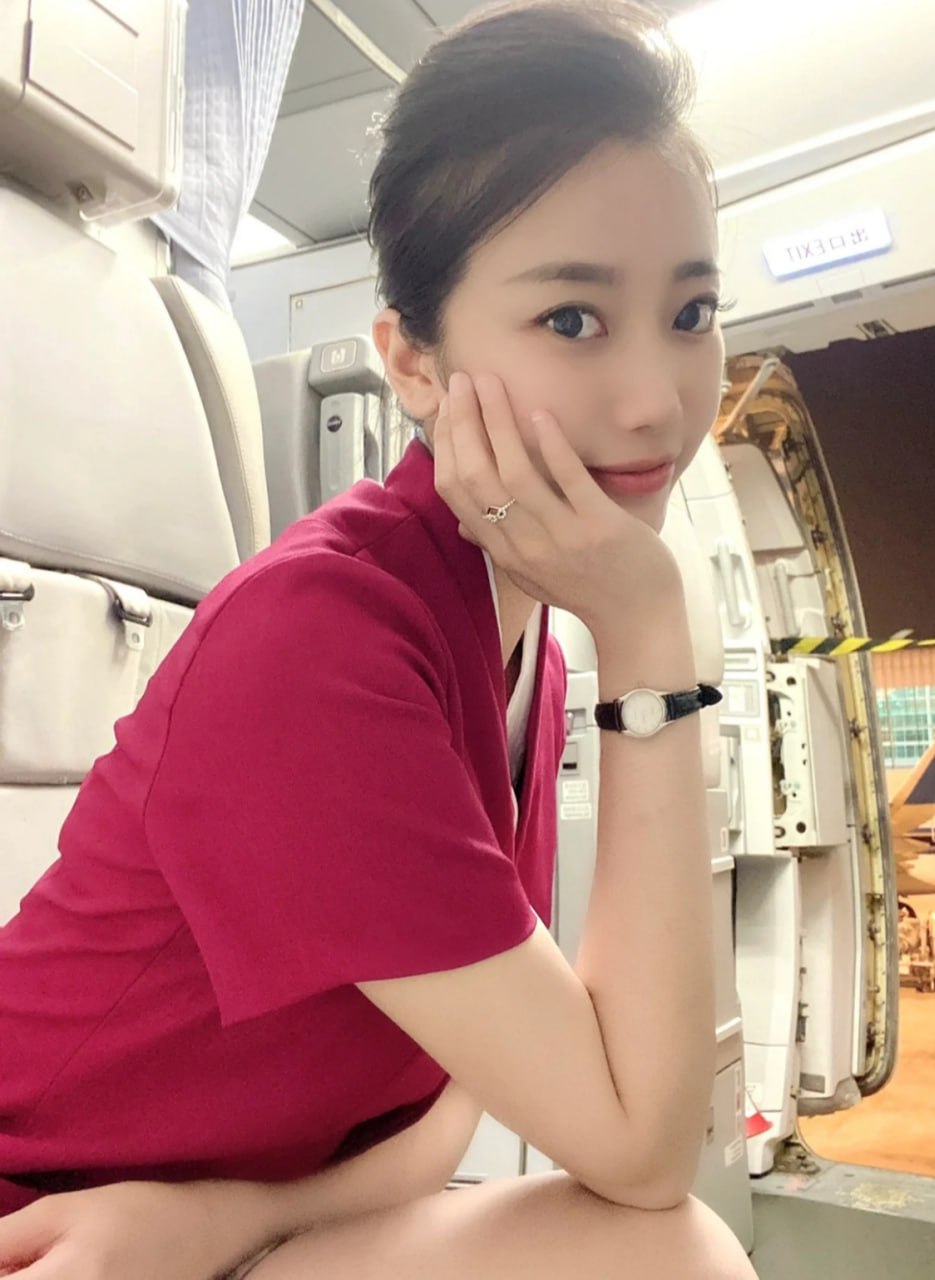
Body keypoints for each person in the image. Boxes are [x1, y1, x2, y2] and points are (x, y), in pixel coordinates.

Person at [0, 2, 756, 1277]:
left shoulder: (518, 640)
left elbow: (445, 1102)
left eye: (690, 313)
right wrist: (647, 624)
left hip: (177, 1230)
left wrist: (221, 1220)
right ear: (410, 362)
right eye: (572, 319)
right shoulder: (320, 640)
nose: (653, 400)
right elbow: (638, 1144)